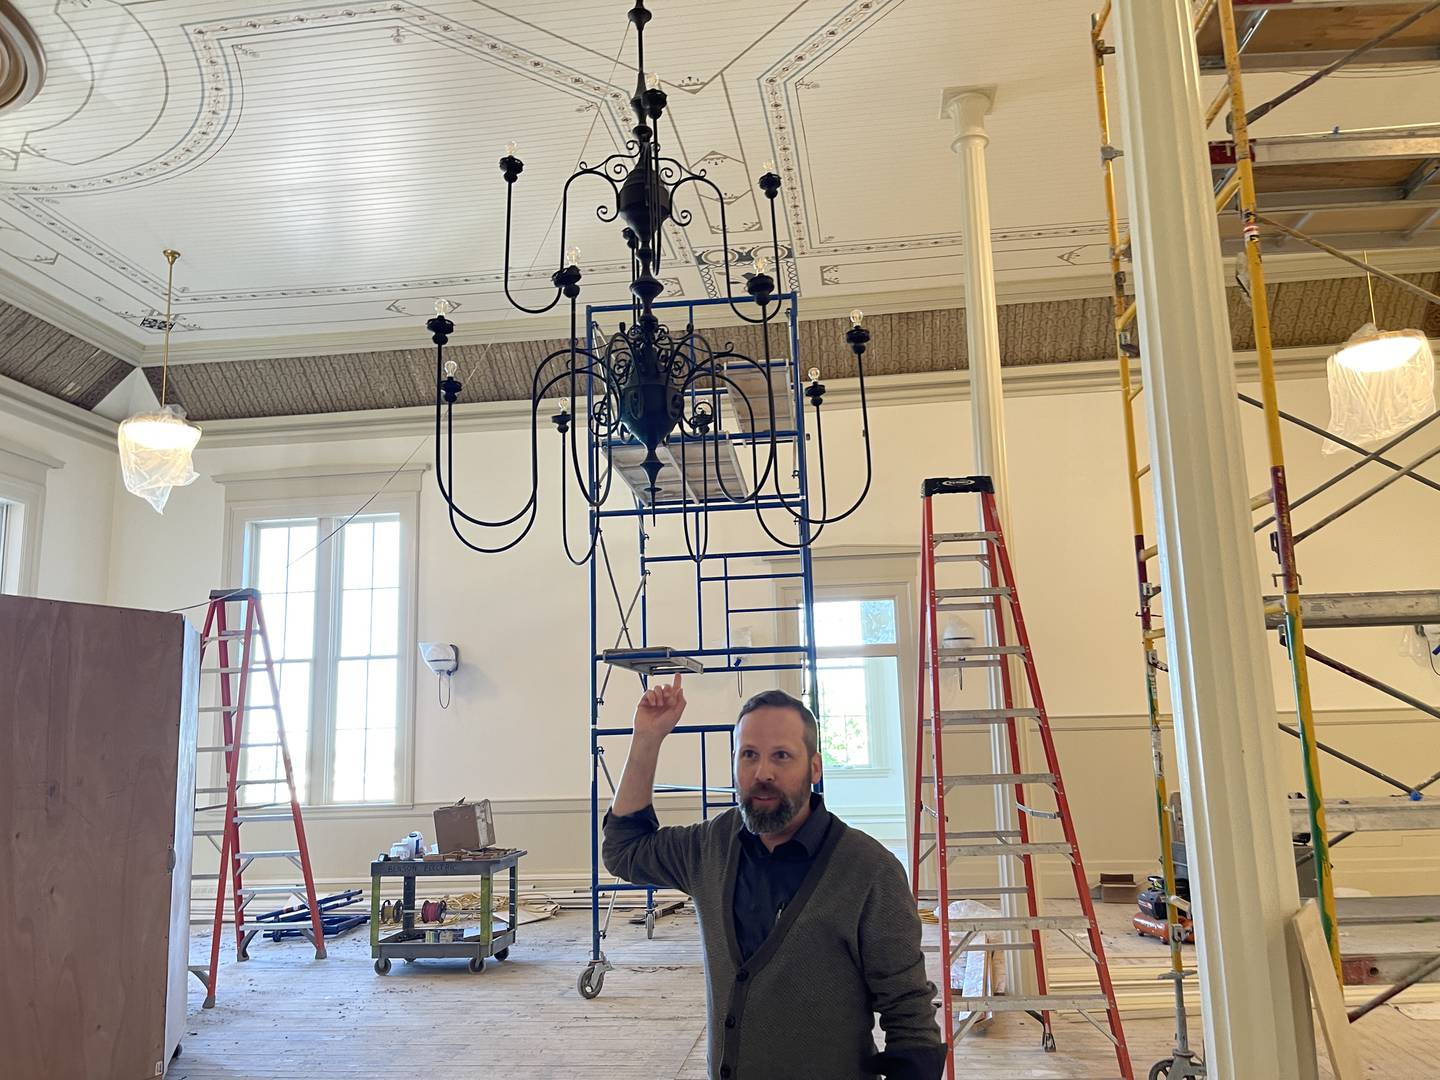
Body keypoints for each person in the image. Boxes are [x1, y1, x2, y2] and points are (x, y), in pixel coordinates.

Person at [603, 676, 946, 1080]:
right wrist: (647, 737)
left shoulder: (869, 871)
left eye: (781, 755)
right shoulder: (710, 847)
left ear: (814, 768)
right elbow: (624, 850)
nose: (762, 772)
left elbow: (910, 1019)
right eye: (748, 755)